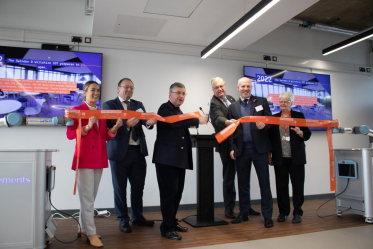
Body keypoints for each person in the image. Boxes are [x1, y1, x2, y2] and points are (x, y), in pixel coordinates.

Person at [67, 81, 123, 248]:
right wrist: (87, 127)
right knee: (87, 199)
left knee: (89, 197)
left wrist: (114, 130)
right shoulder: (76, 111)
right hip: (84, 158)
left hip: (99, 158)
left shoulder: (101, 113)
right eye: (92, 90)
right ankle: (91, 233)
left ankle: (83, 227)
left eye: (98, 90)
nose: (96, 93)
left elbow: (104, 136)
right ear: (84, 92)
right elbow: (70, 135)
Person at [152, 82, 208, 240]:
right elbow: (174, 122)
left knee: (176, 194)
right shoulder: (165, 108)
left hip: (178, 160)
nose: (181, 96)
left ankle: (172, 222)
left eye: (184, 93)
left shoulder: (178, 110)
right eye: (178, 93)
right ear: (170, 95)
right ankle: (166, 228)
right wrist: (197, 121)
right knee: (169, 194)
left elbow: (180, 124)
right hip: (166, 160)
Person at [103, 78, 157, 233]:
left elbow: (144, 123)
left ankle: (137, 218)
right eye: (126, 87)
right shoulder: (109, 105)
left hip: (138, 151)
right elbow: (109, 126)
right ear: (118, 89)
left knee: (138, 187)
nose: (129, 90)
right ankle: (123, 219)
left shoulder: (138, 105)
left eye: (132, 88)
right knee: (120, 189)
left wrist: (149, 123)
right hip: (119, 153)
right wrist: (126, 125)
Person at [209, 77, 260, 219]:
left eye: (221, 86)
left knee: (244, 178)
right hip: (226, 145)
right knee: (229, 178)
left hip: (239, 144)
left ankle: (246, 207)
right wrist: (228, 122)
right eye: (216, 87)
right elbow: (217, 118)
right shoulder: (213, 103)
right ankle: (229, 208)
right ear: (213, 90)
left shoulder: (231, 98)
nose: (220, 89)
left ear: (225, 86)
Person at [228, 77, 274, 228]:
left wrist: (264, 126)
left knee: (264, 184)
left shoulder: (261, 102)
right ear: (238, 88)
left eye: (248, 86)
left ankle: (267, 216)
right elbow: (230, 131)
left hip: (259, 150)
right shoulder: (233, 107)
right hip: (242, 151)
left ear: (251, 87)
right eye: (243, 86)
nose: (246, 89)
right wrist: (232, 148)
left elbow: (270, 123)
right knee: (243, 184)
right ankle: (243, 214)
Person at [268, 91, 311, 224]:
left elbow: (308, 135)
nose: (283, 104)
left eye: (286, 101)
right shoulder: (274, 118)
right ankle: (283, 212)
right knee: (281, 187)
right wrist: (269, 155)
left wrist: (300, 132)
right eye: (281, 101)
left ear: (291, 103)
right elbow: (269, 138)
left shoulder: (299, 116)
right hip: (280, 158)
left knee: (297, 186)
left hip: (296, 158)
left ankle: (297, 212)